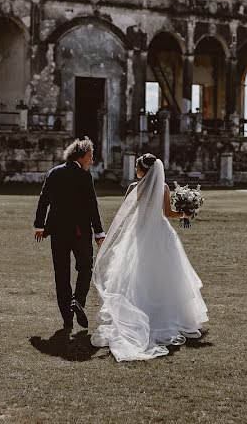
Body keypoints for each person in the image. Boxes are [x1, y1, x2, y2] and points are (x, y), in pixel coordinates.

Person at [90, 153, 208, 361]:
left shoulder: (133, 187)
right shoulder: (163, 188)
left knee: (136, 274)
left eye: (137, 168)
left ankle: (137, 314)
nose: (136, 171)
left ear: (142, 170)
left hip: (139, 232)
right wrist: (185, 213)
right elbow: (169, 214)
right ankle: (167, 316)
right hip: (160, 233)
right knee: (165, 275)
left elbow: (125, 213)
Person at [33, 138, 106, 330]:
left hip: (57, 231)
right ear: (80, 156)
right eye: (90, 157)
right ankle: (78, 301)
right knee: (85, 267)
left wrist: (39, 225)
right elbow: (92, 205)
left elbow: (43, 200)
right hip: (79, 231)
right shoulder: (84, 176)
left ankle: (67, 317)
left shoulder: (53, 173)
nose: (91, 160)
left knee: (61, 273)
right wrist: (98, 231)